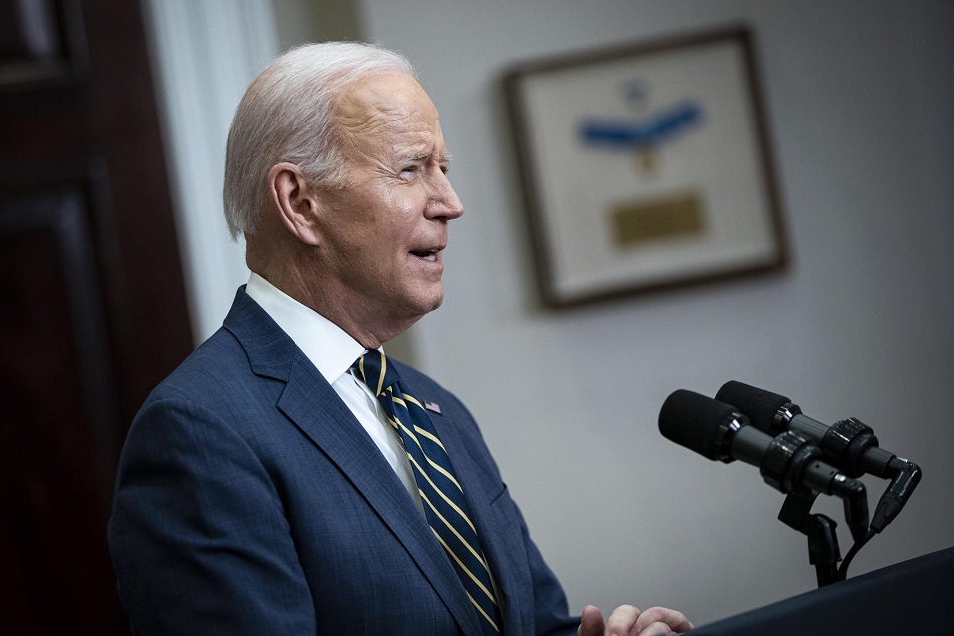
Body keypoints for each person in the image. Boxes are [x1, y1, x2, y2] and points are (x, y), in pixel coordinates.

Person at [107, 41, 691, 636]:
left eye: (444, 169)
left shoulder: (437, 411)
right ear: (300, 203)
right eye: (411, 169)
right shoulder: (198, 432)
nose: (451, 204)